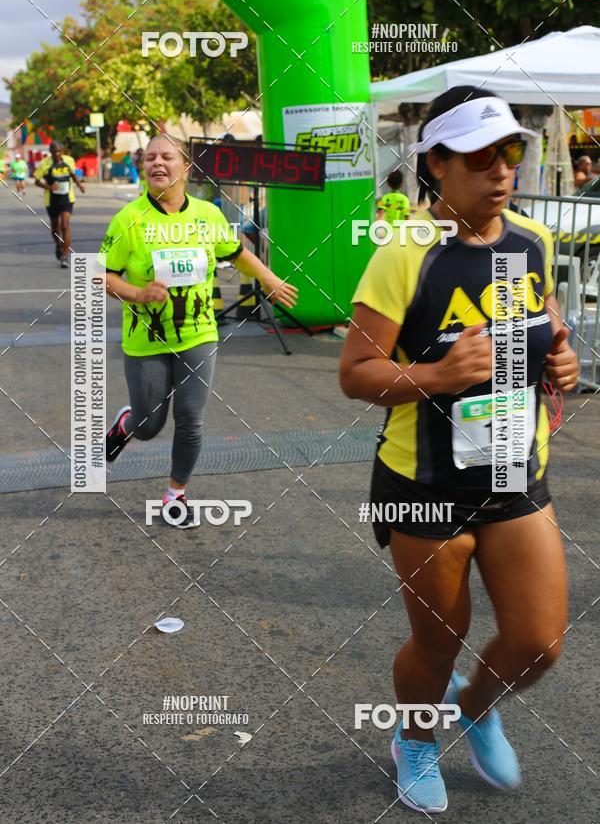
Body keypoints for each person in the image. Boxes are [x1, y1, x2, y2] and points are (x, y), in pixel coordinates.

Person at [339, 86, 579, 814]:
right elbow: (355, 373)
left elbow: (551, 328)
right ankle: (414, 738)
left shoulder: (532, 241)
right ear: (436, 164)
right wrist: (437, 375)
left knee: (539, 643)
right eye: (478, 157)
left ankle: (474, 706)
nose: (500, 170)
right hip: (427, 482)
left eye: (509, 152)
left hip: (513, 472)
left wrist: (561, 362)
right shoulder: (406, 252)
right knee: (439, 640)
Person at [101, 134, 298, 527]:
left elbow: (237, 253)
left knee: (191, 418)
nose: (157, 163)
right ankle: (127, 424)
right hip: (147, 340)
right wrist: (138, 292)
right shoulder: (129, 219)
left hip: (199, 334)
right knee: (149, 426)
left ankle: (176, 495)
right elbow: (102, 275)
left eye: (167, 157)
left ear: (186, 168)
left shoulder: (208, 215)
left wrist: (271, 279)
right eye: (150, 157)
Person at [34, 141, 85, 268]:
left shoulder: (69, 160)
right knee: (55, 229)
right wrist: (49, 187)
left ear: (63, 151)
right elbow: (36, 181)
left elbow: (72, 174)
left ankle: (65, 256)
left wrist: (79, 184)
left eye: (59, 151)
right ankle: (58, 245)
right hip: (51, 200)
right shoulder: (44, 163)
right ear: (50, 152)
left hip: (67, 198)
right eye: (54, 151)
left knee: (65, 226)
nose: (56, 154)